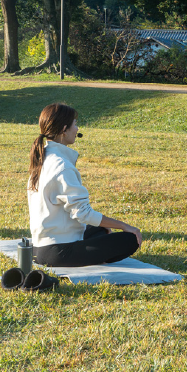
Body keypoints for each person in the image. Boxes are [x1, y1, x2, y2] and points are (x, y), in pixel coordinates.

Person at [27, 102, 142, 267]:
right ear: (64, 129)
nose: (77, 129)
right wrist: (124, 226)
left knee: (100, 230)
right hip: (57, 253)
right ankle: (95, 255)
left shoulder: (42, 159)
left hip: (39, 248)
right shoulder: (62, 166)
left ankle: (94, 251)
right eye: (75, 124)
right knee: (130, 239)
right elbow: (83, 214)